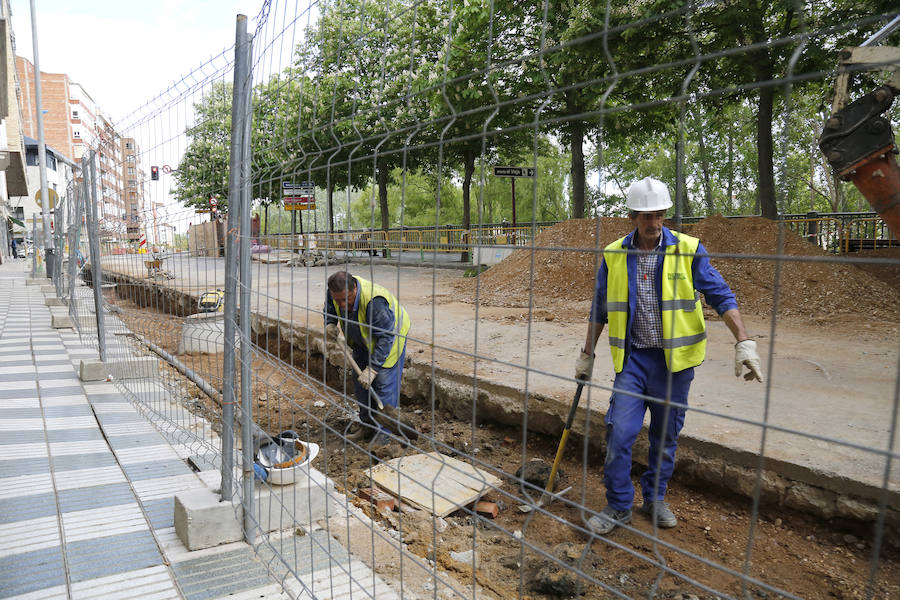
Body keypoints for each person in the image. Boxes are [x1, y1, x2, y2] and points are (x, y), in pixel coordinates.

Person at [576, 177, 763, 535]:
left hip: (674, 365)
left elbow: (721, 295)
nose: (654, 223)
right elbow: (599, 308)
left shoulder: (689, 250)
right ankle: (618, 506)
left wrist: (744, 341)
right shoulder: (614, 254)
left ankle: (655, 498)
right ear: (633, 216)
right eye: (646, 216)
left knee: (666, 436)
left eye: (659, 215)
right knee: (619, 433)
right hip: (632, 361)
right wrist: (587, 356)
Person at [324, 271, 411, 445]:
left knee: (383, 387)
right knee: (361, 385)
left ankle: (385, 433)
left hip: (389, 342)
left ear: (354, 288)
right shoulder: (334, 291)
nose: (342, 304)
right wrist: (330, 322)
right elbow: (331, 306)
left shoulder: (375, 302)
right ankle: (367, 425)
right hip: (362, 341)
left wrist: (373, 368)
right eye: (338, 300)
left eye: (346, 299)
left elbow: (386, 337)